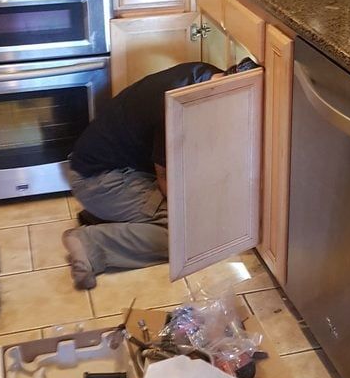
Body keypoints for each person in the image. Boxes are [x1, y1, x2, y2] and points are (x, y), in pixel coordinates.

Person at [63, 58, 259, 289]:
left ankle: (111, 217)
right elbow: (166, 179)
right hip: (100, 180)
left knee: (196, 213)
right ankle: (91, 244)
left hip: (108, 167)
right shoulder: (179, 109)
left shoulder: (204, 75)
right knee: (189, 234)